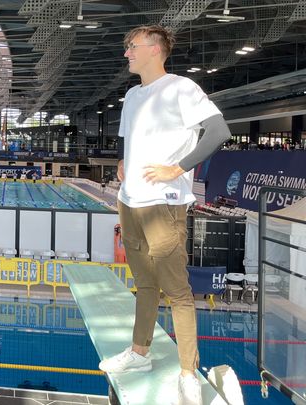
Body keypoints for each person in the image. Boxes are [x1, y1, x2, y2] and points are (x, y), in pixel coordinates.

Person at [97, 25, 231, 405]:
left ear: (155, 50)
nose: (127, 53)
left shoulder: (180, 88)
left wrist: (178, 167)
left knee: (178, 292)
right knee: (145, 284)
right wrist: (124, 161)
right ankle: (139, 354)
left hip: (164, 200)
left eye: (132, 46)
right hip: (130, 199)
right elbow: (133, 142)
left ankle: (188, 372)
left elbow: (218, 131)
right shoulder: (132, 96)